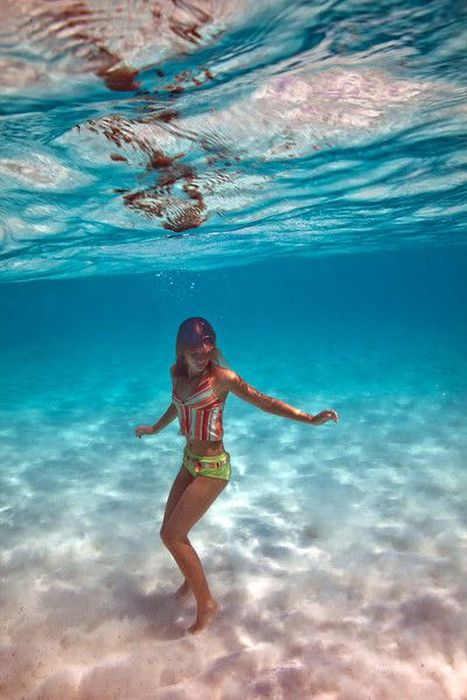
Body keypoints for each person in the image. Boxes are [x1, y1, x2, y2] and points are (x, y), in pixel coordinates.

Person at [135, 317, 338, 634]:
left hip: (214, 468)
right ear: (182, 350)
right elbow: (178, 405)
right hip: (189, 461)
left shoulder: (222, 379)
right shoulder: (177, 376)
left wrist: (309, 419)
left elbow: (264, 402)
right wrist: (155, 428)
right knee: (169, 532)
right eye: (195, 349)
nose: (203, 354)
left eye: (208, 346)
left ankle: (208, 604)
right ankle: (191, 581)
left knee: (173, 536)